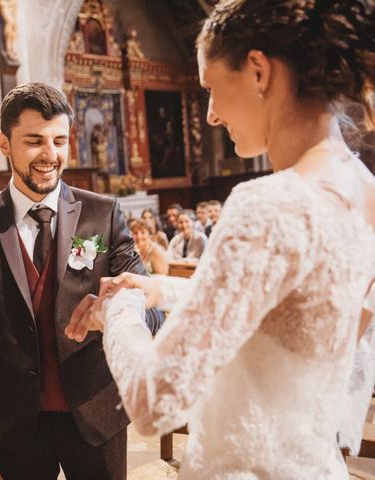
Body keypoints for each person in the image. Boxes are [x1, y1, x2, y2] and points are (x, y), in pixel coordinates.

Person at [66, 1, 375, 478]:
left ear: (257, 71)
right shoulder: (363, 188)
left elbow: (155, 401)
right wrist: (158, 290)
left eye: (210, 88)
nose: (210, 114)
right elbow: (287, 311)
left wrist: (117, 310)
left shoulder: (266, 206)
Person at [0, 82, 163, 480]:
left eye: (60, 141)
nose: (51, 155)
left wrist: (118, 314)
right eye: (34, 141)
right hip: (14, 424)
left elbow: (153, 310)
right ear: (5, 143)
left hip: (98, 415)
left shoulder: (102, 213)